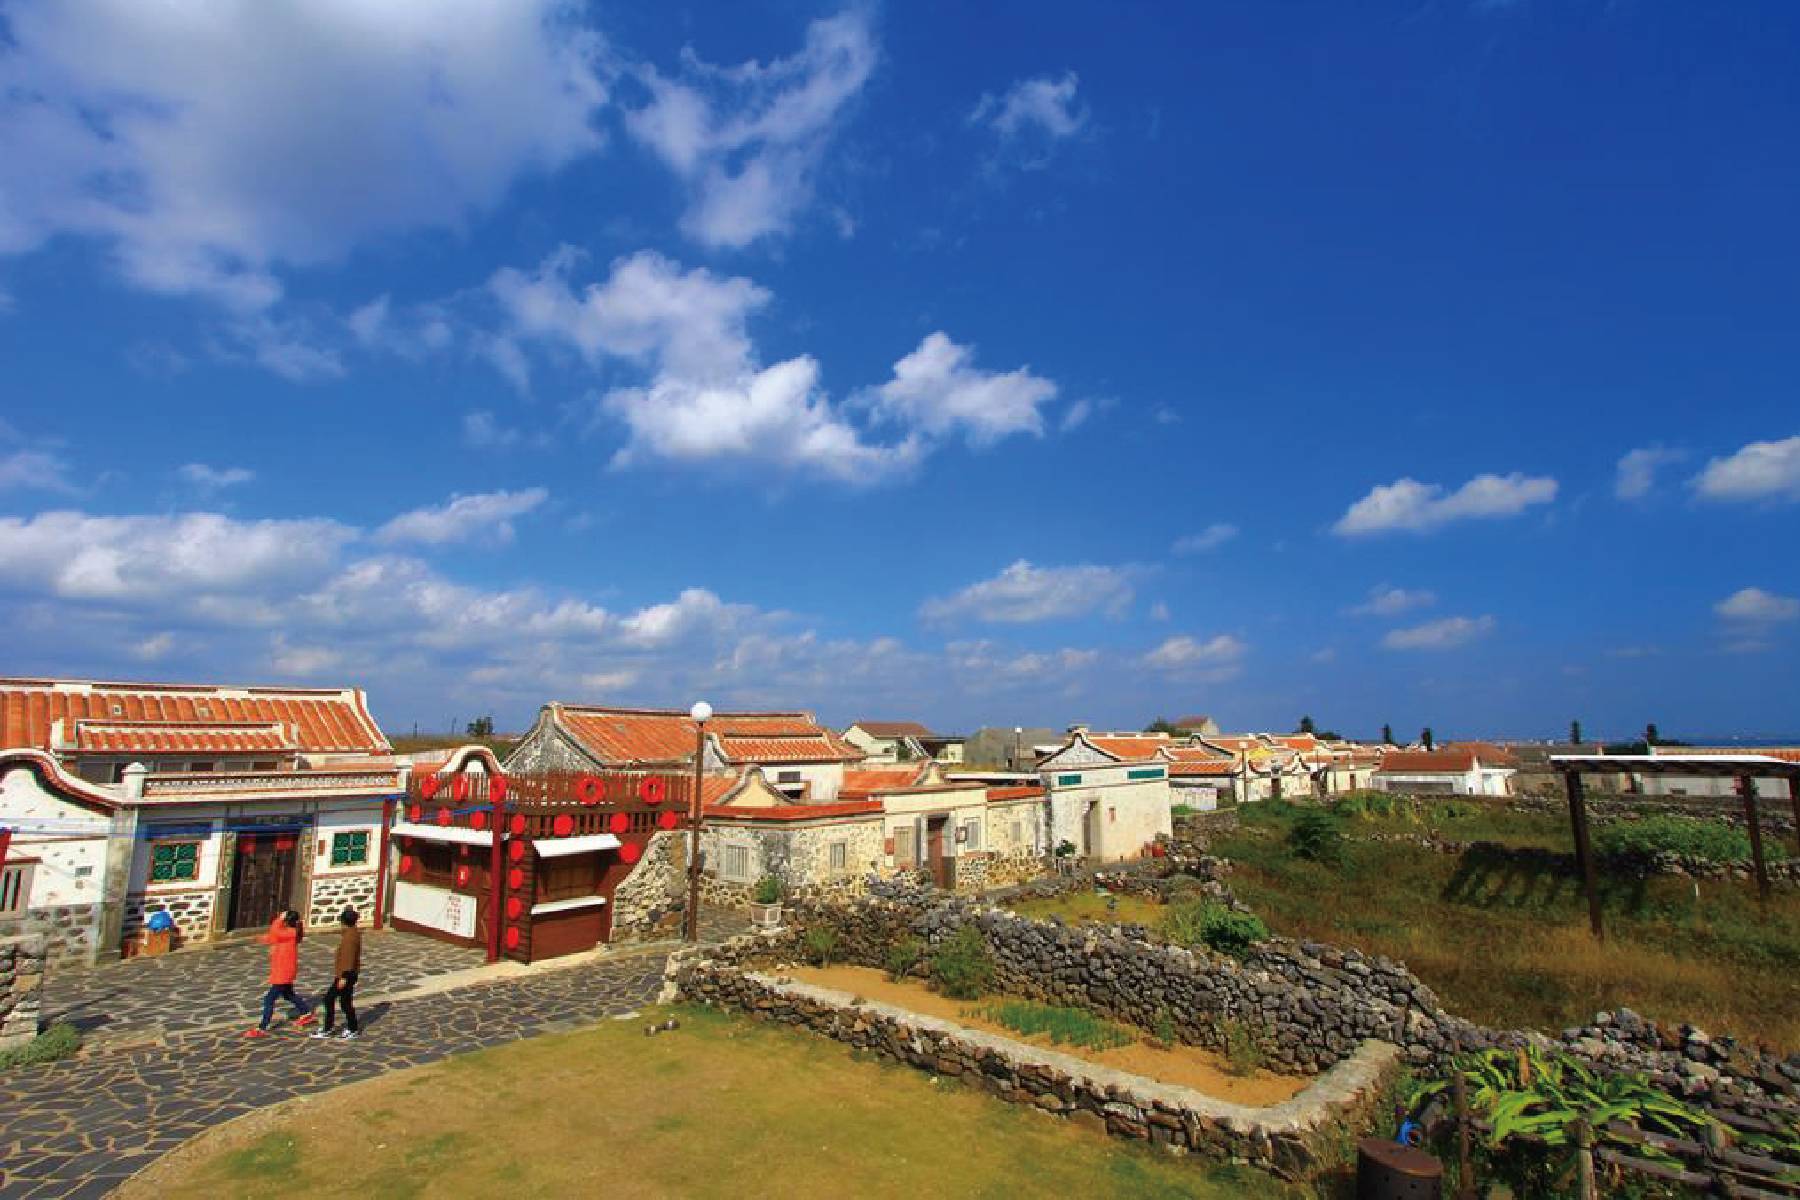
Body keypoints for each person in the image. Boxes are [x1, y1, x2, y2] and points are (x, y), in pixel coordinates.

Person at [244, 908, 314, 1038]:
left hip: (283, 972)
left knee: (269, 999)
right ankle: (306, 1012)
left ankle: (262, 1027)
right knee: (288, 995)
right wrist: (261, 939)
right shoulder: (288, 933)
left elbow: (276, 931)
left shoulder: (291, 933)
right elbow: (274, 937)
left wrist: (279, 919)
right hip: (283, 970)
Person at [311, 906, 362, 1041]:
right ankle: (350, 1027)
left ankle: (332, 1028)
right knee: (345, 1002)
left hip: (345, 975)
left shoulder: (349, 938)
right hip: (347, 974)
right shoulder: (353, 933)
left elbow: (348, 958)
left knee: (330, 1000)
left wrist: (344, 977)